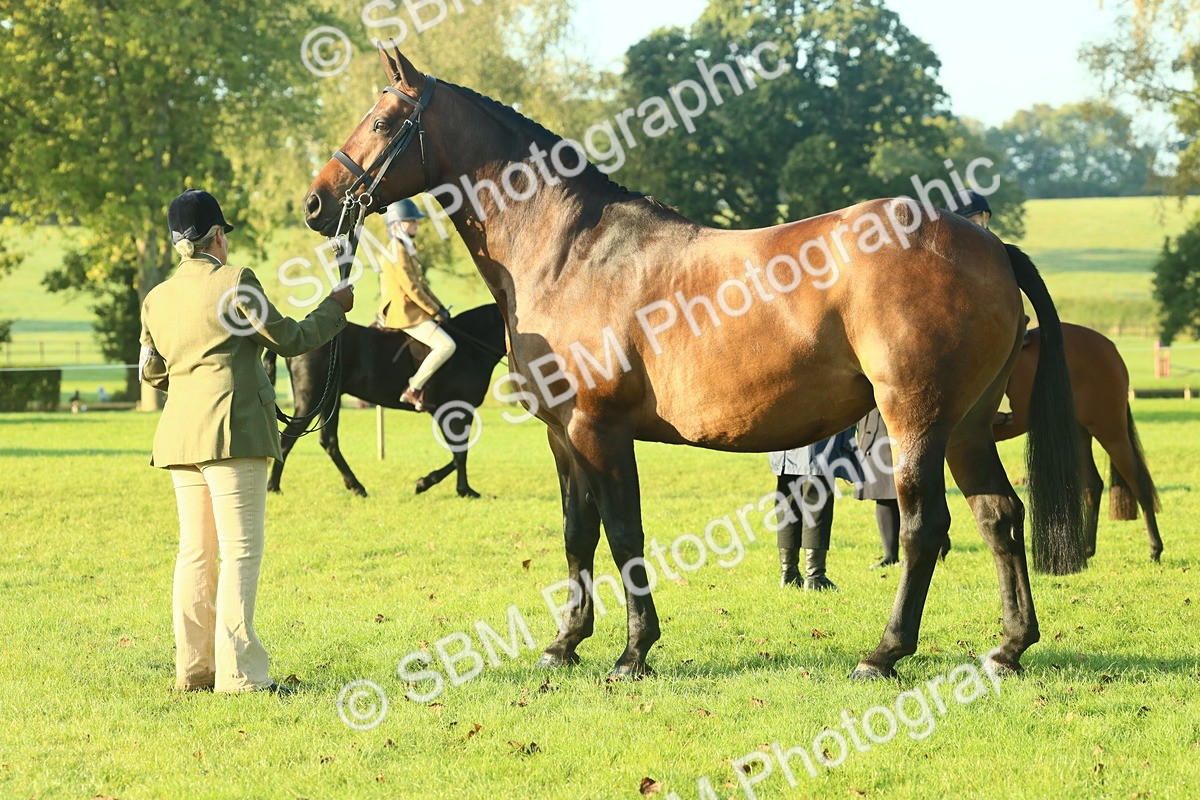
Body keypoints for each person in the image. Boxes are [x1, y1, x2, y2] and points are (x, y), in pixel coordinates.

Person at [139, 189, 353, 695]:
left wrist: (192, 380)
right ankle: (240, 675)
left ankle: (194, 671)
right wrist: (334, 307)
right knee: (239, 552)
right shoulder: (237, 282)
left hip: (178, 436)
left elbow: (151, 371)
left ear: (177, 244)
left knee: (194, 553)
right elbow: (291, 339)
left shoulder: (156, 297)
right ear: (218, 236)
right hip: (234, 433)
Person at [379, 198, 455, 412]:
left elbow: (422, 285)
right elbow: (411, 288)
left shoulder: (405, 247)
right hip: (404, 313)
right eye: (410, 221)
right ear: (396, 225)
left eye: (415, 221)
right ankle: (413, 388)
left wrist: (439, 307)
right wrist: (434, 310)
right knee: (446, 346)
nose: (416, 224)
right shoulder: (397, 250)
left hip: (414, 310)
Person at [768, 429, 861, 591]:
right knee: (817, 500)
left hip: (785, 440)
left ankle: (788, 574)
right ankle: (815, 576)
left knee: (788, 501)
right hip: (816, 438)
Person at [854, 409, 901, 568]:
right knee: (883, 491)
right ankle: (890, 556)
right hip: (871, 418)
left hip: (896, 413)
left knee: (913, 491)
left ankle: (936, 542)